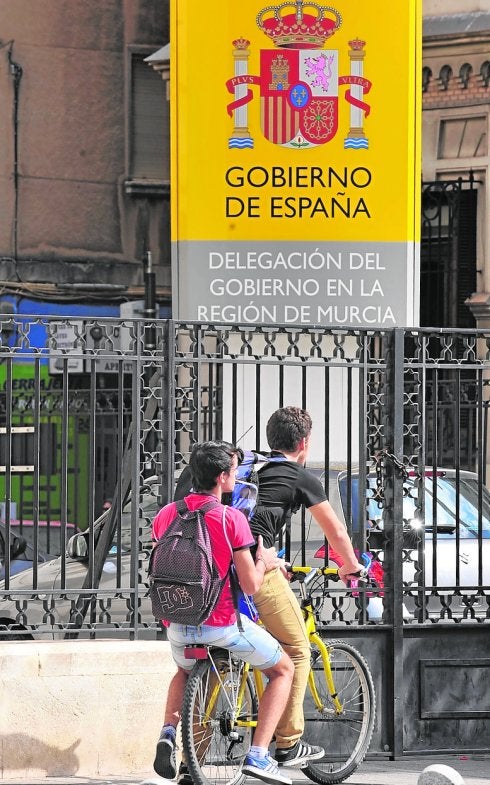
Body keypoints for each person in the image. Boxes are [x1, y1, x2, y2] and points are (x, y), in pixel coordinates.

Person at [152, 440, 295, 785]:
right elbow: (250, 586)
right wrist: (264, 560)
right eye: (232, 470)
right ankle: (259, 755)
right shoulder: (231, 519)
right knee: (283, 668)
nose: (235, 475)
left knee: (183, 671)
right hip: (221, 625)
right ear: (221, 477)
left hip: (177, 622)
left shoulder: (166, 515)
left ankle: (169, 732)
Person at [249, 406, 366, 768]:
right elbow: (337, 532)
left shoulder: (248, 469)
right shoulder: (299, 476)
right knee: (297, 650)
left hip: (221, 566)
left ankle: (195, 749)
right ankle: (286, 743)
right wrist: (350, 566)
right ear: (303, 442)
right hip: (254, 570)